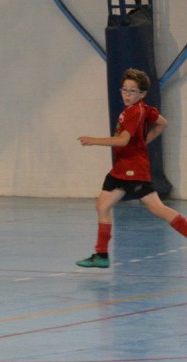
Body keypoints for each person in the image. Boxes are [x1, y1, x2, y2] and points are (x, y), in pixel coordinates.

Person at [76, 68, 187, 268]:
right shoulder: (145, 109)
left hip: (134, 170)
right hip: (120, 169)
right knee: (102, 205)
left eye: (132, 91)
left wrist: (93, 140)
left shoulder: (134, 112)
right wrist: (144, 141)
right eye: (124, 90)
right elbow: (162, 123)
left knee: (157, 208)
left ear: (142, 93)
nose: (127, 94)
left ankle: (101, 254)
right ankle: (101, 255)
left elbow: (123, 140)